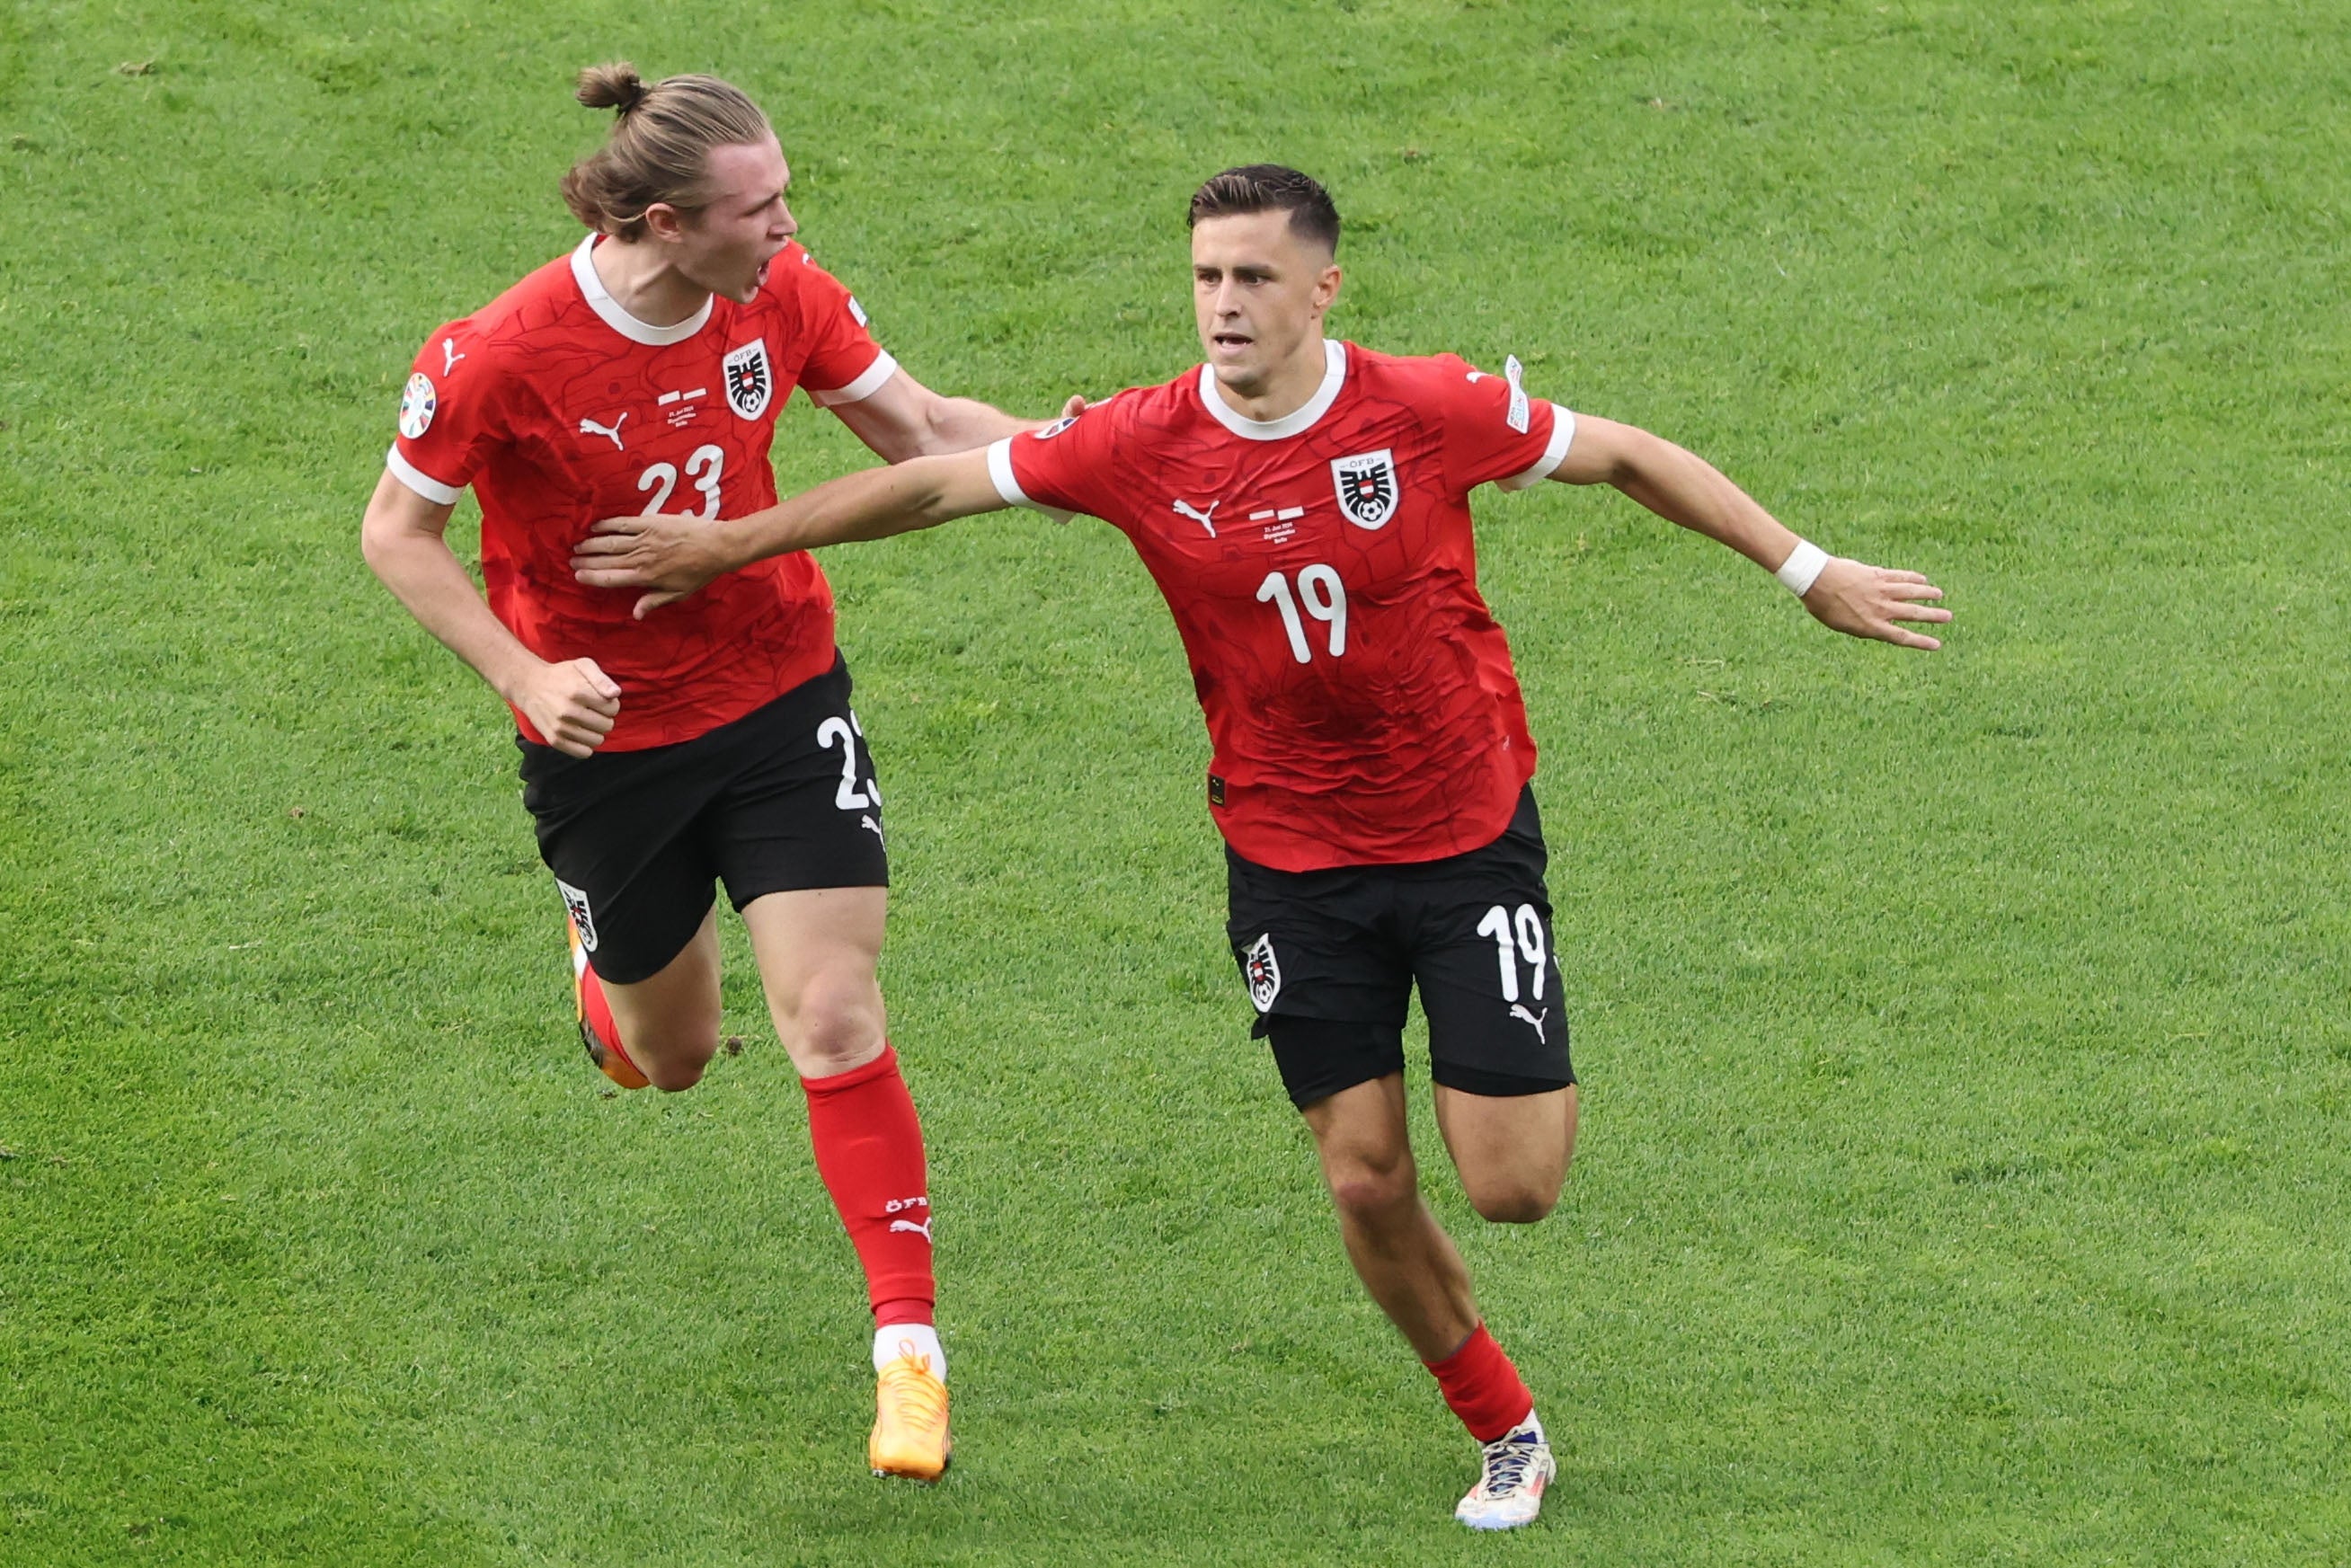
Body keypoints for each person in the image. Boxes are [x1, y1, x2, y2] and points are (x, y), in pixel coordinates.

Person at [571, 164, 1951, 1528]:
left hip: (1465, 838)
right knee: (1361, 1169)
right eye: (1206, 278)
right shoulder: (1140, 439)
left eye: (1253, 279)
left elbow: (1632, 455)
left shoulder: (1426, 409)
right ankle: (1504, 1426)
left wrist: (1808, 570)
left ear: (1323, 288)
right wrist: (730, 545)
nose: (1223, 305)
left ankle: (1499, 1304)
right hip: (1290, 861)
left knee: (1513, 1186)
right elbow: (931, 489)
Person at [359, 64, 1063, 1483]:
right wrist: (527, 673)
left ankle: (908, 1355)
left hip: (779, 696)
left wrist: (1098, 452)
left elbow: (919, 429)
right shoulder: (498, 353)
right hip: (607, 740)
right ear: (669, 224)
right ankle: (599, 968)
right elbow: (397, 534)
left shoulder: (782, 295)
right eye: (763, 209)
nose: (789, 229)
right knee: (667, 1056)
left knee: (834, 1012)